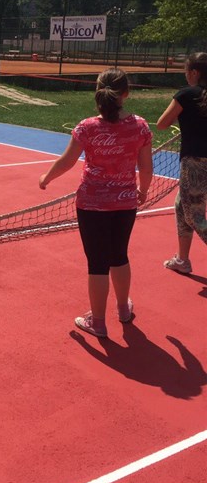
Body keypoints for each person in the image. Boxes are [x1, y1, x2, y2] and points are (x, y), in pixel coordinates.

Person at [39, 68, 153, 338]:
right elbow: (146, 167)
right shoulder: (140, 126)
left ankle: (98, 322)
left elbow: (67, 161)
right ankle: (123, 309)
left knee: (97, 263)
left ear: (98, 92)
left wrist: (46, 177)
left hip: (91, 205)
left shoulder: (87, 127)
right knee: (119, 255)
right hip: (125, 203)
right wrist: (143, 190)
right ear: (126, 93)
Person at [157, 52, 207, 274]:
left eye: (186, 71)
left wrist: (185, 117)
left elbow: (162, 123)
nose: (185, 75)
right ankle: (182, 260)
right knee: (181, 206)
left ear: (194, 72)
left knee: (194, 216)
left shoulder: (186, 95)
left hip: (195, 162)